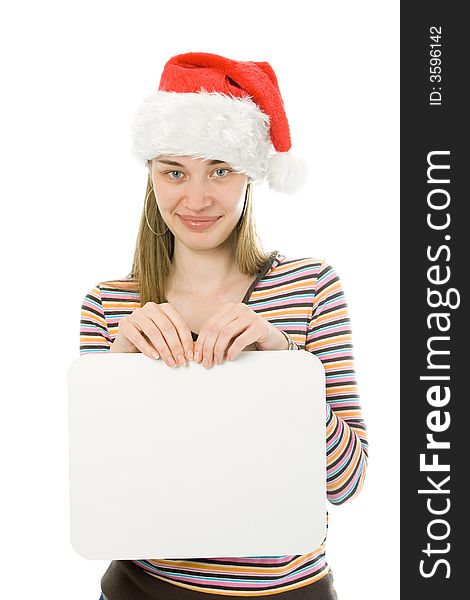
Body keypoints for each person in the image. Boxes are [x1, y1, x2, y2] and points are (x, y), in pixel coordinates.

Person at [80, 52, 368, 600]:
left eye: (219, 169)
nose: (196, 199)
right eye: (173, 171)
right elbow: (105, 497)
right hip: (143, 587)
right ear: (150, 176)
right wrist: (118, 375)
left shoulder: (311, 288)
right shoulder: (108, 305)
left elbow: (346, 484)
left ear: (249, 174)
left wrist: (287, 366)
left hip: (292, 591)